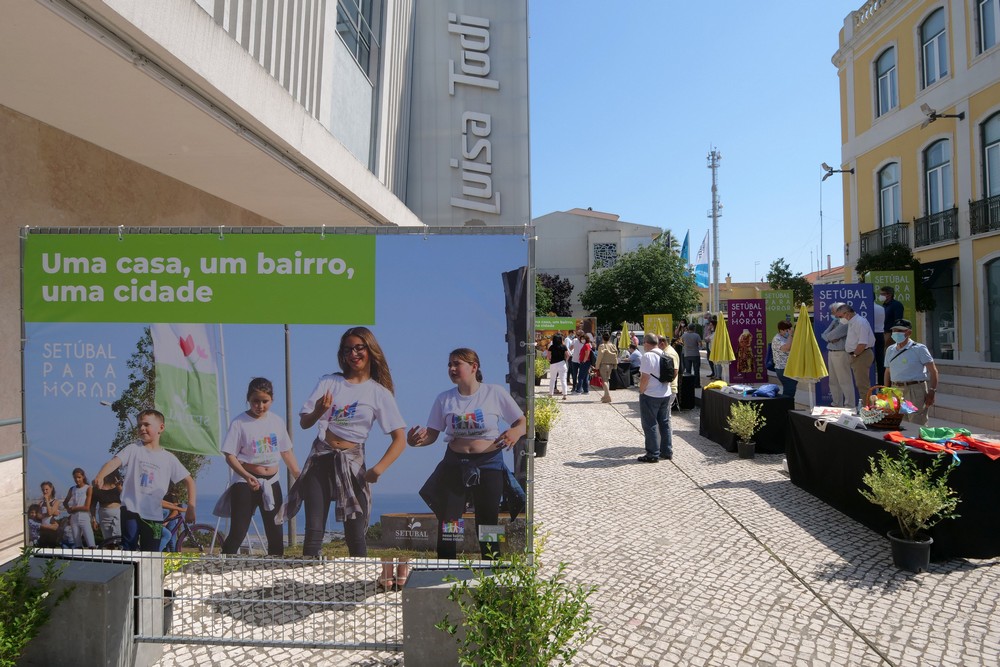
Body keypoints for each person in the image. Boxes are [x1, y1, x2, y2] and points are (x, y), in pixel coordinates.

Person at [285, 327, 407, 572]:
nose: (354, 354)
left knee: (356, 534)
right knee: (313, 532)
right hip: (321, 459)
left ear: (370, 350)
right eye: (348, 349)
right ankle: (306, 585)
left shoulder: (379, 393)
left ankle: (358, 586)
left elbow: (399, 439)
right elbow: (304, 422)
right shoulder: (330, 381)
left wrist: (378, 469)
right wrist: (319, 410)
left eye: (359, 348)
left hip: (352, 465)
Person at [407, 348, 526, 560]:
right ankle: (446, 566)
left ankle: (493, 566)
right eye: (449, 365)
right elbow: (432, 434)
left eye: (457, 364)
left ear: (474, 367)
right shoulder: (444, 399)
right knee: (450, 521)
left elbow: (522, 422)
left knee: (487, 520)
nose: (452, 369)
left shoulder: (494, 393)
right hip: (455, 465)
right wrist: (415, 442)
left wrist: (515, 432)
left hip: (489, 464)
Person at [216, 377, 301, 556]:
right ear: (248, 399)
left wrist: (299, 477)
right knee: (238, 531)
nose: (260, 405)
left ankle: (275, 572)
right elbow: (229, 455)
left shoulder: (277, 422)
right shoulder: (239, 423)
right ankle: (222, 566)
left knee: (276, 533)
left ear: (271, 400)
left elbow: (286, 452)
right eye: (256, 401)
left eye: (265, 401)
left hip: (272, 482)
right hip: (245, 481)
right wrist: (247, 477)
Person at [94, 409, 196, 551]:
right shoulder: (133, 449)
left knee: (151, 554)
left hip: (154, 516)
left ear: (161, 428)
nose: (142, 428)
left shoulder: (168, 458)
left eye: (146, 424)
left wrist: (191, 507)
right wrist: (101, 475)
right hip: (131, 510)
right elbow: (113, 462)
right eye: (139, 425)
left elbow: (189, 481)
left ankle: (147, 573)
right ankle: (130, 572)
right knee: (129, 549)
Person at [883, 319, 939, 426]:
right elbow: (887, 371)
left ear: (908, 332)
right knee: (898, 422)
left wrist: (932, 391)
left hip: (915, 389)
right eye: (894, 331)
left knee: (916, 422)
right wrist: (887, 390)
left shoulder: (919, 348)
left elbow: (933, 371)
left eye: (899, 331)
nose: (895, 333)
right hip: (896, 390)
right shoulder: (890, 350)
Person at [636, 333, 674, 462]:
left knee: (650, 424)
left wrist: (641, 391)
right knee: (664, 423)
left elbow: (645, 377)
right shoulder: (664, 354)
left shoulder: (647, 356)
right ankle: (667, 451)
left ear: (646, 343)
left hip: (651, 394)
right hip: (666, 393)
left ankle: (652, 454)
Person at [835, 303, 877, 404]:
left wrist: (855, 355)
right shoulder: (852, 322)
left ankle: (869, 410)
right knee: (861, 384)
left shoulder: (860, 322)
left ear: (847, 313)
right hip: (858, 355)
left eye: (840, 316)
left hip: (861, 355)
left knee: (862, 384)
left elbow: (862, 343)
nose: (840, 319)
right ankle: (867, 407)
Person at [821, 302, 852, 407]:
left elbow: (830, 336)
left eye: (833, 312)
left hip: (841, 352)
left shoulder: (845, 322)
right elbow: (824, 335)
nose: (832, 314)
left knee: (844, 380)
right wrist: (830, 338)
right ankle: (836, 404)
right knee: (833, 381)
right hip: (831, 352)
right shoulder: (835, 322)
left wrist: (830, 337)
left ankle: (849, 405)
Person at [64, 468, 96, 548]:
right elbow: (65, 502)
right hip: (74, 518)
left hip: (84, 517)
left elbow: (87, 507)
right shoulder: (72, 489)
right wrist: (69, 509)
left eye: (79, 477)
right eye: (75, 478)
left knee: (90, 542)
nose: (77, 480)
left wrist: (74, 508)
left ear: (83, 477)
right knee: (77, 542)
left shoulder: (88, 488)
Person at [877, 286, 903, 384]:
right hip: (882, 333)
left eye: (882, 294)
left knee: (890, 358)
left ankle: (892, 381)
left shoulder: (897, 305)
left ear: (889, 294)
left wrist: (894, 334)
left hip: (891, 334)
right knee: (884, 360)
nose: (880, 296)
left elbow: (898, 321)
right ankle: (884, 382)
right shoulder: (884, 306)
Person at [91, 469, 122, 543]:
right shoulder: (96, 487)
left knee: (119, 538)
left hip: (118, 512)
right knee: (108, 540)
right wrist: (94, 519)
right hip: (104, 514)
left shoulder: (118, 485)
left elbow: (126, 498)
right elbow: (93, 505)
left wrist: (119, 487)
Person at [771, 321, 797, 399]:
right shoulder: (777, 339)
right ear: (781, 330)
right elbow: (786, 348)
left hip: (790, 367)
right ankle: (786, 406)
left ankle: (786, 405)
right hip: (782, 368)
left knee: (790, 389)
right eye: (786, 330)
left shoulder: (787, 338)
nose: (788, 332)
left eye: (789, 330)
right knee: (790, 389)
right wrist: (790, 335)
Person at [36, 480, 63, 547]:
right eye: (43, 490)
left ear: (51, 489)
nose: (45, 491)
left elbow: (50, 512)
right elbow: (38, 515)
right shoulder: (41, 503)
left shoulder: (55, 502)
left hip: (52, 529)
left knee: (52, 547)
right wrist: (46, 515)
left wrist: (47, 501)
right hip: (44, 529)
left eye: (46, 489)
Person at [658, 336, 681, 413]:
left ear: (662, 343)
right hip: (668, 387)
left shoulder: (669, 353)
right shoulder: (666, 351)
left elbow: (675, 370)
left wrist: (668, 382)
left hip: (669, 387)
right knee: (665, 413)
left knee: (665, 413)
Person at [596, 332, 618, 403]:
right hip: (611, 364)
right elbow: (616, 355)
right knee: (607, 380)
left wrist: (597, 366)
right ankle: (605, 395)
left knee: (604, 380)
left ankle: (607, 395)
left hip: (603, 364)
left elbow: (599, 357)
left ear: (602, 338)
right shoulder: (613, 346)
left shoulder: (602, 346)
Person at [547, 334, 569, 399]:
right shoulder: (564, 346)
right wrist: (565, 361)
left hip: (553, 364)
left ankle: (550, 394)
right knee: (563, 380)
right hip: (562, 363)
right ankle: (565, 394)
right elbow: (568, 355)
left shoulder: (551, 347)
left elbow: (548, 356)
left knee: (552, 379)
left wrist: (550, 361)